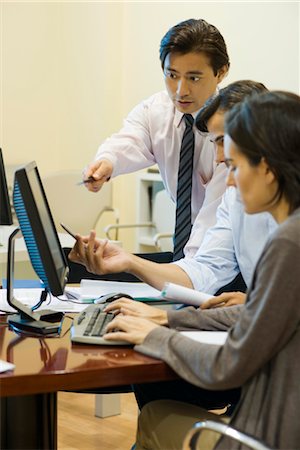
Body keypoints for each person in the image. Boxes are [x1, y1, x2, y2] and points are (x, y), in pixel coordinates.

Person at [103, 91, 300, 450]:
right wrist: (169, 321)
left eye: (236, 167)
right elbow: (252, 311)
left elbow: (231, 364)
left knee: (155, 414)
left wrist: (155, 336)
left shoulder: (289, 244)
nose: (228, 180)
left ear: (269, 169)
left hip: (265, 437)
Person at [69, 80, 276, 309]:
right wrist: (129, 261)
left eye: (222, 142)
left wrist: (255, 306)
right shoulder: (233, 198)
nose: (218, 157)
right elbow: (203, 272)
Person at [83, 18, 230, 258]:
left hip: (225, 256)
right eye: (172, 75)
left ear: (221, 73)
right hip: (187, 255)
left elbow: (211, 224)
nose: (180, 90)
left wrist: (179, 277)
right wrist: (106, 162)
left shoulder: (231, 131)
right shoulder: (156, 110)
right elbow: (130, 139)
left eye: (193, 78)